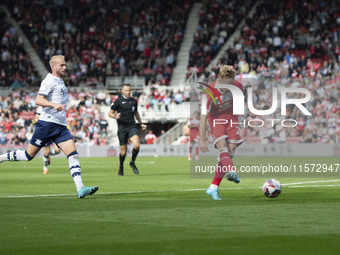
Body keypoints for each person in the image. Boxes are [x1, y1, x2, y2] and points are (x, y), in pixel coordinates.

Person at [0, 55, 98, 199]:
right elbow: (38, 100)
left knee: (73, 155)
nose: (65, 67)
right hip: (47, 124)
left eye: (65, 65)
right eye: (62, 65)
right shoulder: (49, 80)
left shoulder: (60, 81)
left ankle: (80, 188)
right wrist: (53, 105)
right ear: (53, 66)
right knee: (28, 156)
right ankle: (1, 158)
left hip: (61, 127)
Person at [199, 65, 254, 200]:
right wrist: (202, 139)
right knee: (222, 146)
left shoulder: (237, 85)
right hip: (216, 118)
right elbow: (203, 117)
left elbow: (246, 93)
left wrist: (251, 108)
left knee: (230, 153)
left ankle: (213, 188)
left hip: (231, 116)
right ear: (220, 79)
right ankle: (232, 171)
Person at [108, 83, 147, 176]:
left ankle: (132, 162)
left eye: (129, 90)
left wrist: (141, 124)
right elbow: (110, 113)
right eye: (126, 90)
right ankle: (121, 167)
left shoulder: (134, 101)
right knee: (123, 152)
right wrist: (114, 116)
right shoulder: (118, 101)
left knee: (137, 144)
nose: (128, 92)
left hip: (132, 126)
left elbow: (136, 113)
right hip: (122, 128)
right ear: (122, 91)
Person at [34, 106, 62, 174]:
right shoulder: (40, 107)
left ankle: (48, 156)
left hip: (54, 130)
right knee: (46, 151)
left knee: (58, 150)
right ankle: (45, 167)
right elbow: (36, 119)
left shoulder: (54, 105)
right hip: (45, 131)